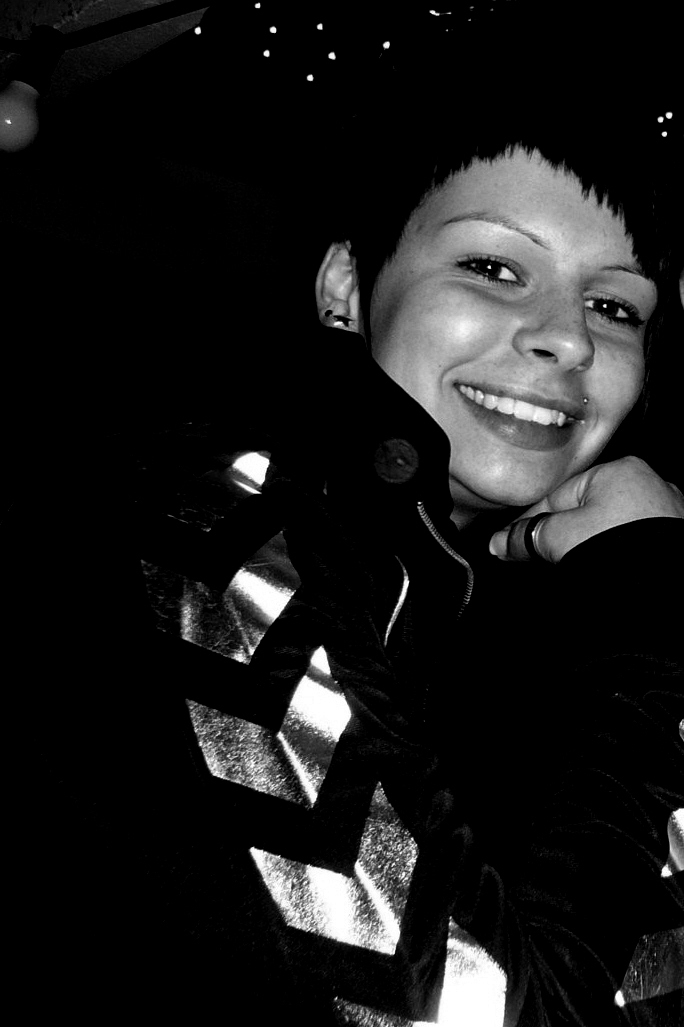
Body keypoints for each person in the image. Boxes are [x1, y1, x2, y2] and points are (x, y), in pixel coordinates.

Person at [7, 7, 682, 1027]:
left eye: (615, 307)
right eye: (494, 267)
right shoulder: (210, 530)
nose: (569, 341)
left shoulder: (505, 624)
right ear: (346, 288)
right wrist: (647, 606)